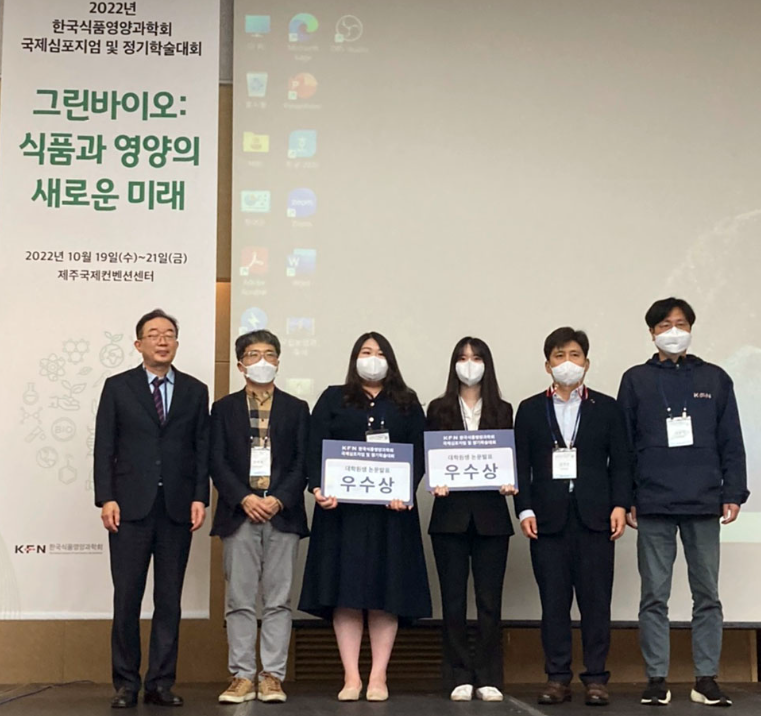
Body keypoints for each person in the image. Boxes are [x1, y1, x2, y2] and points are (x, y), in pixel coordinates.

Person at [617, 298, 748, 707]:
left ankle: (706, 679)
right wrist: (626, 497)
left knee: (707, 594)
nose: (673, 332)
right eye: (664, 325)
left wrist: (733, 492)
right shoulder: (636, 379)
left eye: (681, 324)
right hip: (653, 501)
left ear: (691, 328)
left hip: (704, 501)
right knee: (654, 596)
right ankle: (656, 679)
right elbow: (624, 445)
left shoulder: (715, 378)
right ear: (651, 333)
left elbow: (731, 440)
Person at [298, 332, 432, 702]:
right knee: (346, 593)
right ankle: (351, 677)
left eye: (379, 352)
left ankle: (378, 676)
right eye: (365, 352)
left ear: (391, 360)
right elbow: (314, 446)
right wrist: (317, 487)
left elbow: (420, 451)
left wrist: (406, 490)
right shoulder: (333, 398)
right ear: (354, 358)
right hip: (342, 514)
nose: (372, 358)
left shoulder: (407, 401)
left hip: (392, 515)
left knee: (386, 593)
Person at [94, 309, 210, 709]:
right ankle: (126, 683)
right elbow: (104, 446)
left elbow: (201, 448)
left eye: (169, 334)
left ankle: (160, 682)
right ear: (138, 343)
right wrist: (106, 497)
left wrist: (200, 497)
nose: (162, 340)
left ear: (177, 343)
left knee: (169, 600)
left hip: (177, 507)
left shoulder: (195, 390)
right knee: (127, 598)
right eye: (154, 334)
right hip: (129, 507)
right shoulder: (118, 387)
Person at [514, 327, 631, 706]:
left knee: (596, 603)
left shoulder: (607, 407)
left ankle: (596, 678)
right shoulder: (530, 409)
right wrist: (524, 508)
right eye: (559, 355)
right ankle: (557, 677)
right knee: (554, 604)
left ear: (587, 363)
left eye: (575, 355)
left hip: (596, 519)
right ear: (547, 364)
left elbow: (622, 462)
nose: (568, 362)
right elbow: (521, 465)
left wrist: (620, 504)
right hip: (547, 521)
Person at [210, 330, 309, 705]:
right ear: (240, 365)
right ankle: (241, 675)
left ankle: (271, 676)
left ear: (278, 361)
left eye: (269, 354)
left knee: (278, 600)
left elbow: (303, 462)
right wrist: (244, 498)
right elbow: (216, 460)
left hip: (283, 515)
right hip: (239, 514)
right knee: (239, 599)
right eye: (253, 355)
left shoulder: (297, 408)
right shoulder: (223, 408)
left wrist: (279, 499)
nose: (262, 361)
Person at [426, 337, 515, 702]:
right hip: (450, 516)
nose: (469, 364)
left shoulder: (503, 409)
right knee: (453, 601)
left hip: (492, 516)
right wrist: (435, 480)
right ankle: (458, 674)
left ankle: (489, 674)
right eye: (463, 358)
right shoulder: (439, 408)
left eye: (476, 358)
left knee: (490, 600)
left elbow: (510, 457)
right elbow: (430, 457)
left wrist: (510, 481)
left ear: (486, 364)